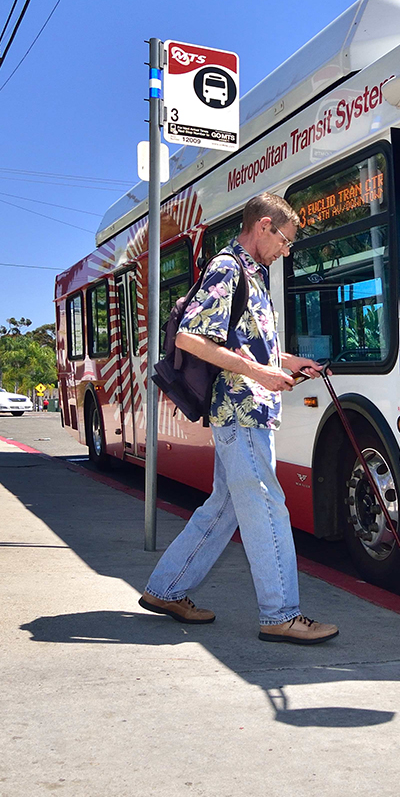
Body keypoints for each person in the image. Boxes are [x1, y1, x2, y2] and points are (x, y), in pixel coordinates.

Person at [137, 192, 337, 644]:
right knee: (267, 505)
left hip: (248, 409)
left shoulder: (252, 273)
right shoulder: (228, 268)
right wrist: (259, 373)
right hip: (240, 411)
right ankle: (281, 613)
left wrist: (286, 362)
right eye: (285, 240)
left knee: (224, 507)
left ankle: (167, 589)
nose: (287, 250)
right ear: (263, 225)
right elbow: (191, 338)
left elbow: (246, 344)